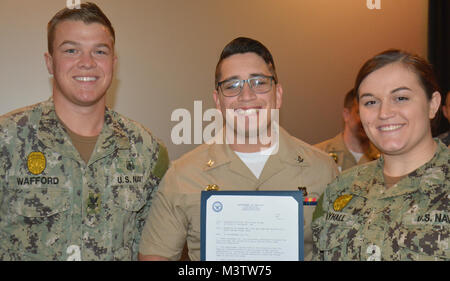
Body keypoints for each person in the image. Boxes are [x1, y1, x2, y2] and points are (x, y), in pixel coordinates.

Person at [138, 37, 338, 261]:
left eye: (259, 82)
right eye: (232, 86)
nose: (246, 96)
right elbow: (155, 256)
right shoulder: (183, 175)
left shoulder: (323, 170)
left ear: (278, 94)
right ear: (218, 101)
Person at [0, 2, 168, 260]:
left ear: (113, 63)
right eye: (71, 50)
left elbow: (155, 249)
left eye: (99, 52)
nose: (87, 63)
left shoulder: (146, 150)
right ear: (49, 62)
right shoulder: (7, 140)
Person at [312, 49, 449, 261]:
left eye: (401, 98)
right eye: (371, 102)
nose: (384, 113)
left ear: (433, 104)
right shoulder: (340, 189)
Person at [315, 89, 379, 172]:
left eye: (372, 113)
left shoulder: (386, 157)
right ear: (346, 115)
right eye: (359, 113)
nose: (367, 119)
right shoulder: (319, 155)